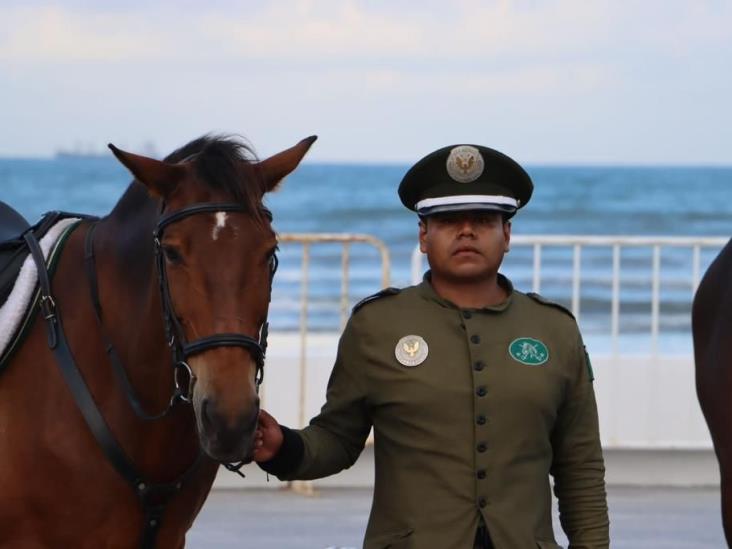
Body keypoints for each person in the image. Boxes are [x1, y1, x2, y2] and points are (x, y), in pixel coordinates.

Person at [254, 144, 609, 549]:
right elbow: (338, 438)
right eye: (448, 221)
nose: (467, 231)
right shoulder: (376, 326)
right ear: (423, 235)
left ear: (507, 234)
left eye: (484, 220)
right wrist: (283, 446)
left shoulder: (554, 330)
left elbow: (579, 466)